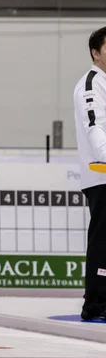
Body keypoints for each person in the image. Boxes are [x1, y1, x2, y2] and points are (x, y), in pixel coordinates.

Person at [74, 26, 106, 321]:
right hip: (102, 175)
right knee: (102, 238)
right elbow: (94, 126)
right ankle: (95, 302)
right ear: (96, 54)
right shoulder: (92, 84)